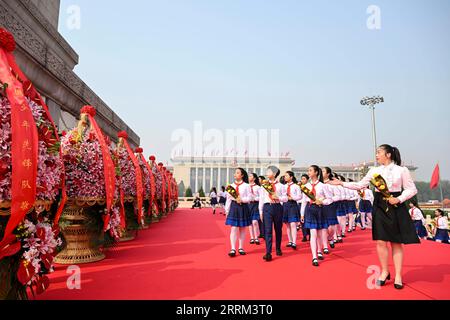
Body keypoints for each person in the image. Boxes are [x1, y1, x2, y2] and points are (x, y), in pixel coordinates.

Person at [328, 144, 419, 289]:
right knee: (381, 241)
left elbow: (412, 189)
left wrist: (399, 199)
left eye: (379, 152)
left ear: (388, 154)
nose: (376, 155)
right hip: (380, 205)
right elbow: (360, 185)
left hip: (395, 204)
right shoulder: (374, 171)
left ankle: (398, 275)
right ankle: (384, 271)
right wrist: (341, 183)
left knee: (396, 242)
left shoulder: (402, 170)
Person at [300, 165, 330, 267]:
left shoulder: (322, 185)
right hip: (310, 209)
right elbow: (304, 201)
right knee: (313, 233)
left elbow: (329, 199)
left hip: (320, 209)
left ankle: (319, 250)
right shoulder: (306, 186)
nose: (308, 172)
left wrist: (321, 201)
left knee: (320, 233)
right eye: (308, 170)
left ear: (316, 172)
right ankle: (314, 257)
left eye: (310, 170)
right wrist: (302, 214)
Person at [259, 166, 287, 262]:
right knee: (268, 230)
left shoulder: (281, 186)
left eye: (269, 171)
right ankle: (268, 252)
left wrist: (278, 197)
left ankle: (278, 247)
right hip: (267, 207)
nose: (267, 173)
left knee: (278, 229)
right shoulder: (264, 186)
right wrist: (260, 212)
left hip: (278, 207)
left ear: (274, 174)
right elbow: (261, 199)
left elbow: (286, 198)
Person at [225, 168, 252, 257]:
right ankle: (233, 248)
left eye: (237, 173)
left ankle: (241, 247)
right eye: (235, 173)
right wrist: (227, 210)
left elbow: (250, 198)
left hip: (243, 207)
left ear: (242, 175)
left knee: (242, 228)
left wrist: (242, 200)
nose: (235, 174)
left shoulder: (247, 186)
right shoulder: (230, 186)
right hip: (234, 207)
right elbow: (228, 199)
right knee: (234, 228)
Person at [283, 171, 302, 250]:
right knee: (287, 224)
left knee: (293, 224)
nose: (285, 177)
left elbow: (299, 196)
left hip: (293, 205)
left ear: (291, 177)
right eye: (284, 176)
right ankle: (290, 241)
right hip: (285, 205)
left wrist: (292, 198)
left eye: (286, 176)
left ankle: (294, 242)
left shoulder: (296, 186)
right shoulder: (283, 186)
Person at [322, 167, 340, 249]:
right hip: (321, 206)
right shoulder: (319, 184)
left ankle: (330, 237)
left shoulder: (332, 184)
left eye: (323, 171)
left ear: (328, 174)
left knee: (331, 227)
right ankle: (325, 246)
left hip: (330, 206)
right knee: (323, 227)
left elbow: (338, 196)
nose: (321, 172)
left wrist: (330, 200)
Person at [248, 173, 262, 245]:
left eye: (250, 176)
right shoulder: (246, 186)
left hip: (256, 205)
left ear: (254, 178)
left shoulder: (258, 187)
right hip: (248, 205)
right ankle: (252, 237)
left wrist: (255, 198)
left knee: (255, 222)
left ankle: (256, 237)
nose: (249, 177)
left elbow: (261, 197)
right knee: (250, 223)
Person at [299, 174, 310, 242]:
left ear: (307, 179)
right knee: (302, 221)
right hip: (300, 204)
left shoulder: (308, 186)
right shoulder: (300, 187)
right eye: (302, 179)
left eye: (304, 179)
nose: (302, 180)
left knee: (308, 220)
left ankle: (310, 235)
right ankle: (304, 235)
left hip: (307, 205)